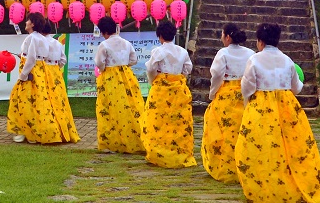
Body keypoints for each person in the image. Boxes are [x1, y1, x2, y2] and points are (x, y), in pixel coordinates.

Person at [235, 23, 320, 203]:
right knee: (290, 149)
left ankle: (264, 188)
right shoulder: (287, 60)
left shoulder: (254, 60)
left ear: (260, 41)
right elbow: (297, 87)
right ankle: (291, 185)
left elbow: (247, 87)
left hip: (262, 106)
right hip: (287, 106)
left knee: (262, 147)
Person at [7, 14, 76, 144]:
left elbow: (32, 58)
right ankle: (35, 131)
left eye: (28, 20)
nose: (26, 22)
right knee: (39, 101)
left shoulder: (32, 38)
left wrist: (23, 76)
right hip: (41, 72)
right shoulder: (43, 39)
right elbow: (40, 57)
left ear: (32, 24)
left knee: (22, 100)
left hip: (31, 72)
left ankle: (25, 131)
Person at [202, 23, 254, 183]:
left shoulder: (223, 53)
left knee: (225, 131)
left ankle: (225, 166)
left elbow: (217, 74)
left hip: (227, 92)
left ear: (228, 37)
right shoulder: (251, 53)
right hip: (245, 92)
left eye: (222, 34)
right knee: (241, 129)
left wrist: (213, 92)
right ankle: (245, 165)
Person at [142, 20, 196, 168]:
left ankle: (159, 151)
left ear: (160, 36)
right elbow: (188, 68)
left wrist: (154, 80)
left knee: (159, 120)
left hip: (161, 89)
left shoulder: (158, 51)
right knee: (178, 120)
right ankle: (178, 151)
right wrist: (179, 76)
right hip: (178, 88)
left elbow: (151, 69)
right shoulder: (182, 51)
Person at [94, 15, 145, 154]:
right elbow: (133, 59)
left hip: (110, 77)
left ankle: (112, 142)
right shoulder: (126, 43)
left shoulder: (104, 44)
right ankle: (134, 138)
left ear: (104, 31)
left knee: (109, 108)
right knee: (130, 106)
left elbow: (99, 62)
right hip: (126, 76)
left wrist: (105, 69)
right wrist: (123, 66)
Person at [39, 18, 79, 144]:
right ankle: (63, 128)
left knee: (45, 99)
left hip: (43, 70)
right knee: (58, 100)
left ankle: (49, 129)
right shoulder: (57, 43)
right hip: (56, 71)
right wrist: (56, 68)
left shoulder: (39, 41)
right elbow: (63, 60)